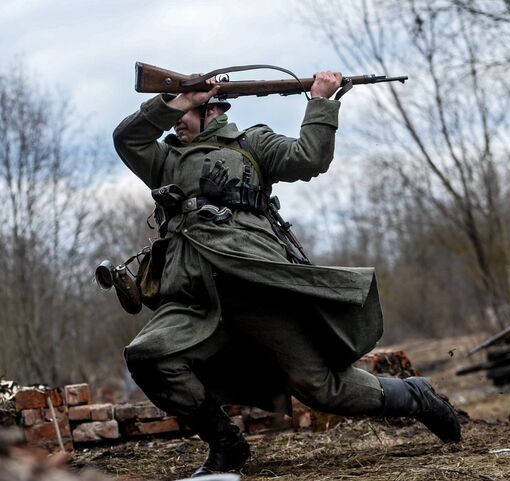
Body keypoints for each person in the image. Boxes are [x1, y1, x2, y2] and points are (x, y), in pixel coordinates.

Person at [112, 72, 460, 477]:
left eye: (187, 114)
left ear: (214, 110)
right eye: (175, 115)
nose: (177, 123)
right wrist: (174, 101)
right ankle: (226, 444)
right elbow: (127, 138)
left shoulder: (251, 144)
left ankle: (413, 396)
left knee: (322, 390)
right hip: (193, 298)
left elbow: (310, 157)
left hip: (255, 287)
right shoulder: (164, 160)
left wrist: (321, 101)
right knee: (148, 355)